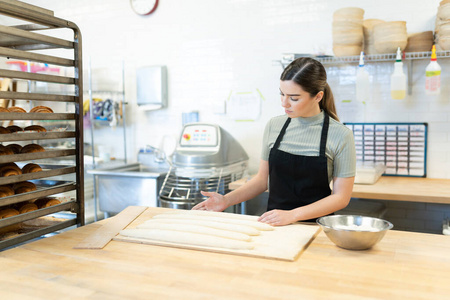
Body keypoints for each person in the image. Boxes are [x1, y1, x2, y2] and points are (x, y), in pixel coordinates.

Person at [193, 57, 356, 226]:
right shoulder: (274, 126)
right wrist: (225, 200)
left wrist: (293, 215)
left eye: (294, 98)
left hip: (317, 227)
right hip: (275, 225)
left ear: (318, 96)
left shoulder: (340, 135)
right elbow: (262, 180)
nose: (284, 103)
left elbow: (341, 198)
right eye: (282, 94)